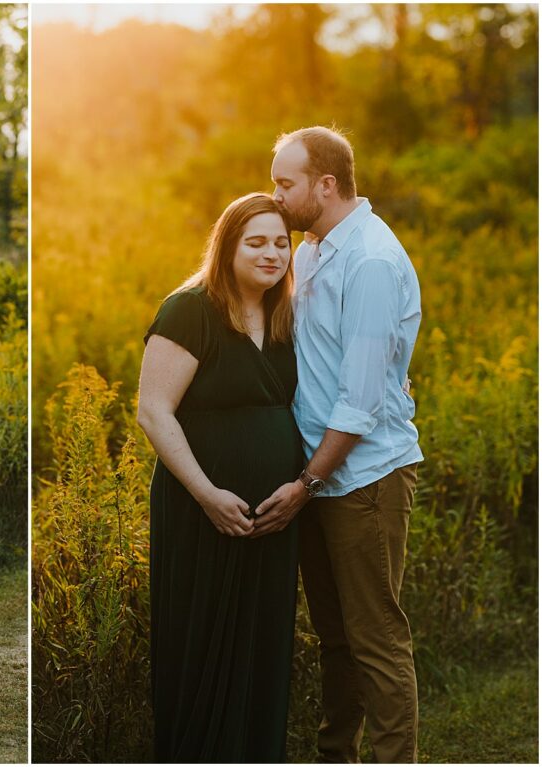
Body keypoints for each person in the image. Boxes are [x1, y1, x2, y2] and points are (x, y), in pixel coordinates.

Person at [258, 125, 423, 763]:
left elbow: (360, 403)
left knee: (375, 637)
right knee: (336, 636)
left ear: (325, 185)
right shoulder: (313, 249)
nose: (275, 197)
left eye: (284, 183)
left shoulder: (373, 261)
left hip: (364, 480)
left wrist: (305, 485)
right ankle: (336, 756)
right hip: (323, 476)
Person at [137, 192, 304, 762]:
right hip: (202, 509)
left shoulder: (285, 313)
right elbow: (153, 411)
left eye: (282, 243)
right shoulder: (190, 309)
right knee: (203, 640)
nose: (271, 253)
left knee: (261, 644)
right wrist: (208, 495)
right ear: (227, 245)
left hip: (276, 514)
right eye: (255, 241)